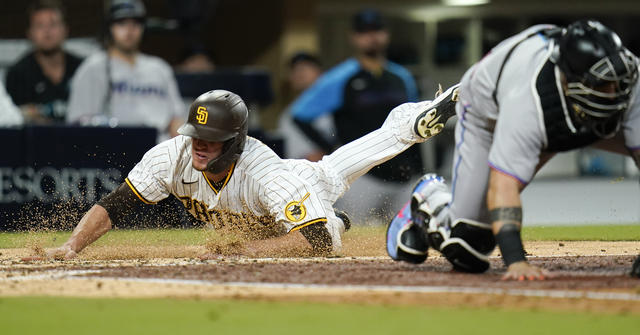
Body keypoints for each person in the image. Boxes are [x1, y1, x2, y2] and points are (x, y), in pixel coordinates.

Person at [39, 85, 460, 260]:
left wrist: (245, 253)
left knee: (330, 216)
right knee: (332, 175)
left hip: (303, 184)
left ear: (236, 138)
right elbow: (117, 205)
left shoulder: (267, 175)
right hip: (272, 206)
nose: (199, 144)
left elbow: (315, 240)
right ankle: (345, 210)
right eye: (195, 134)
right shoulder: (171, 156)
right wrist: (72, 245)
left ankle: (414, 118)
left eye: (212, 136)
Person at [386, 20, 640, 280]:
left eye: (616, 82)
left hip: (572, 116)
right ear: (568, 80)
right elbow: (504, 186)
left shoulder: (630, 84)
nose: (613, 94)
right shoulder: (528, 102)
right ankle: (431, 200)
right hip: (487, 116)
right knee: (471, 244)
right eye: (601, 85)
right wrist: (516, 260)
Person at [291, 9, 423, 224]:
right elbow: (300, 115)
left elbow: (416, 122)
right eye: (364, 32)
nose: (372, 37)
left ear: (386, 34)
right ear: (354, 38)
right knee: (354, 240)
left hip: (403, 176)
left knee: (408, 236)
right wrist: (333, 149)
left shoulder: (401, 77)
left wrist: (418, 168)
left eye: (377, 30)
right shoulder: (342, 77)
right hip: (361, 176)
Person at [66, 0, 184, 141]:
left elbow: (178, 118)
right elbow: (77, 122)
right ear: (110, 28)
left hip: (159, 149)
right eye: (121, 23)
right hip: (113, 148)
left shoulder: (160, 68)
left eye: (135, 24)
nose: (129, 30)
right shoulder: (93, 67)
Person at [5, 0, 82, 124]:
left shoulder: (83, 68)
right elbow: (14, 122)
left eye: (53, 24)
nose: (47, 31)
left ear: (65, 30)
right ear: (30, 33)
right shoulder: (18, 74)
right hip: (36, 141)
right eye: (40, 25)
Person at [276, 52, 336, 161]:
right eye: (295, 69)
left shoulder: (337, 106)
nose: (300, 73)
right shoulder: (287, 115)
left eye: (306, 68)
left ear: (320, 72)